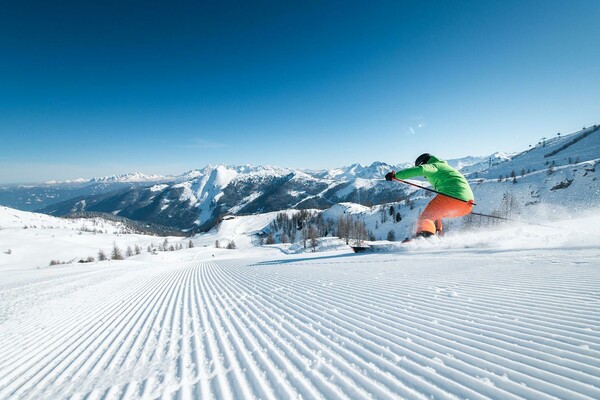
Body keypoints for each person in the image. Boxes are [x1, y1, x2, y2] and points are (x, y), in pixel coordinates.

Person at [385, 153, 474, 237]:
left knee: (425, 217)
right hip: (467, 205)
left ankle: (424, 238)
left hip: (453, 197)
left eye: (425, 176)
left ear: (424, 163)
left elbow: (421, 169)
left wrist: (396, 176)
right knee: (435, 215)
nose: (426, 177)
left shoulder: (434, 166)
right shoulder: (445, 167)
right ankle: (437, 236)